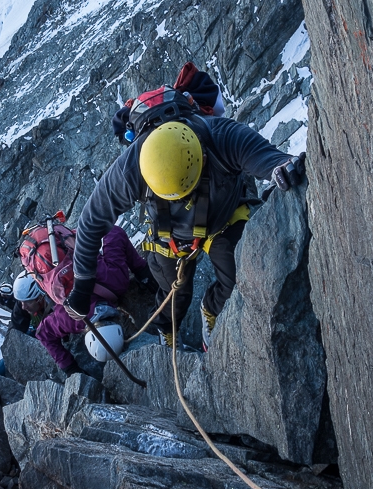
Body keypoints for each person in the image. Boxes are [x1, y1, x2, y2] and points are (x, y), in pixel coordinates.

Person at [65, 109, 304, 350]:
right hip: (172, 237)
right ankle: (166, 328)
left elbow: (265, 156)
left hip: (223, 216)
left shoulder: (220, 135)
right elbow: (90, 222)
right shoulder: (131, 169)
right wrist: (83, 285)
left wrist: (282, 166)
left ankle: (211, 309)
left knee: (236, 276)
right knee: (175, 294)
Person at [32, 225, 150, 376]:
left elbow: (113, 232)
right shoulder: (71, 318)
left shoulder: (116, 282)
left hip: (62, 250)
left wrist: (141, 270)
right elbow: (43, 333)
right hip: (55, 257)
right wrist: (68, 367)